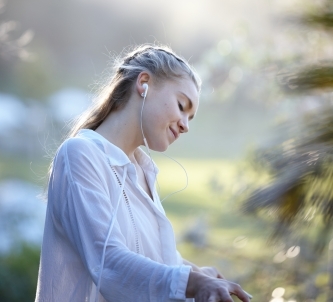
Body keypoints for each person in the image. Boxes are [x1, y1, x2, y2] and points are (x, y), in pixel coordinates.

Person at [35, 44, 252, 302]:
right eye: (182, 105)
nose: (185, 125)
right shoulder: (80, 154)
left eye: (190, 118)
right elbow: (109, 262)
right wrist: (191, 282)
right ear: (144, 83)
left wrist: (197, 274)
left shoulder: (143, 172)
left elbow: (144, 257)